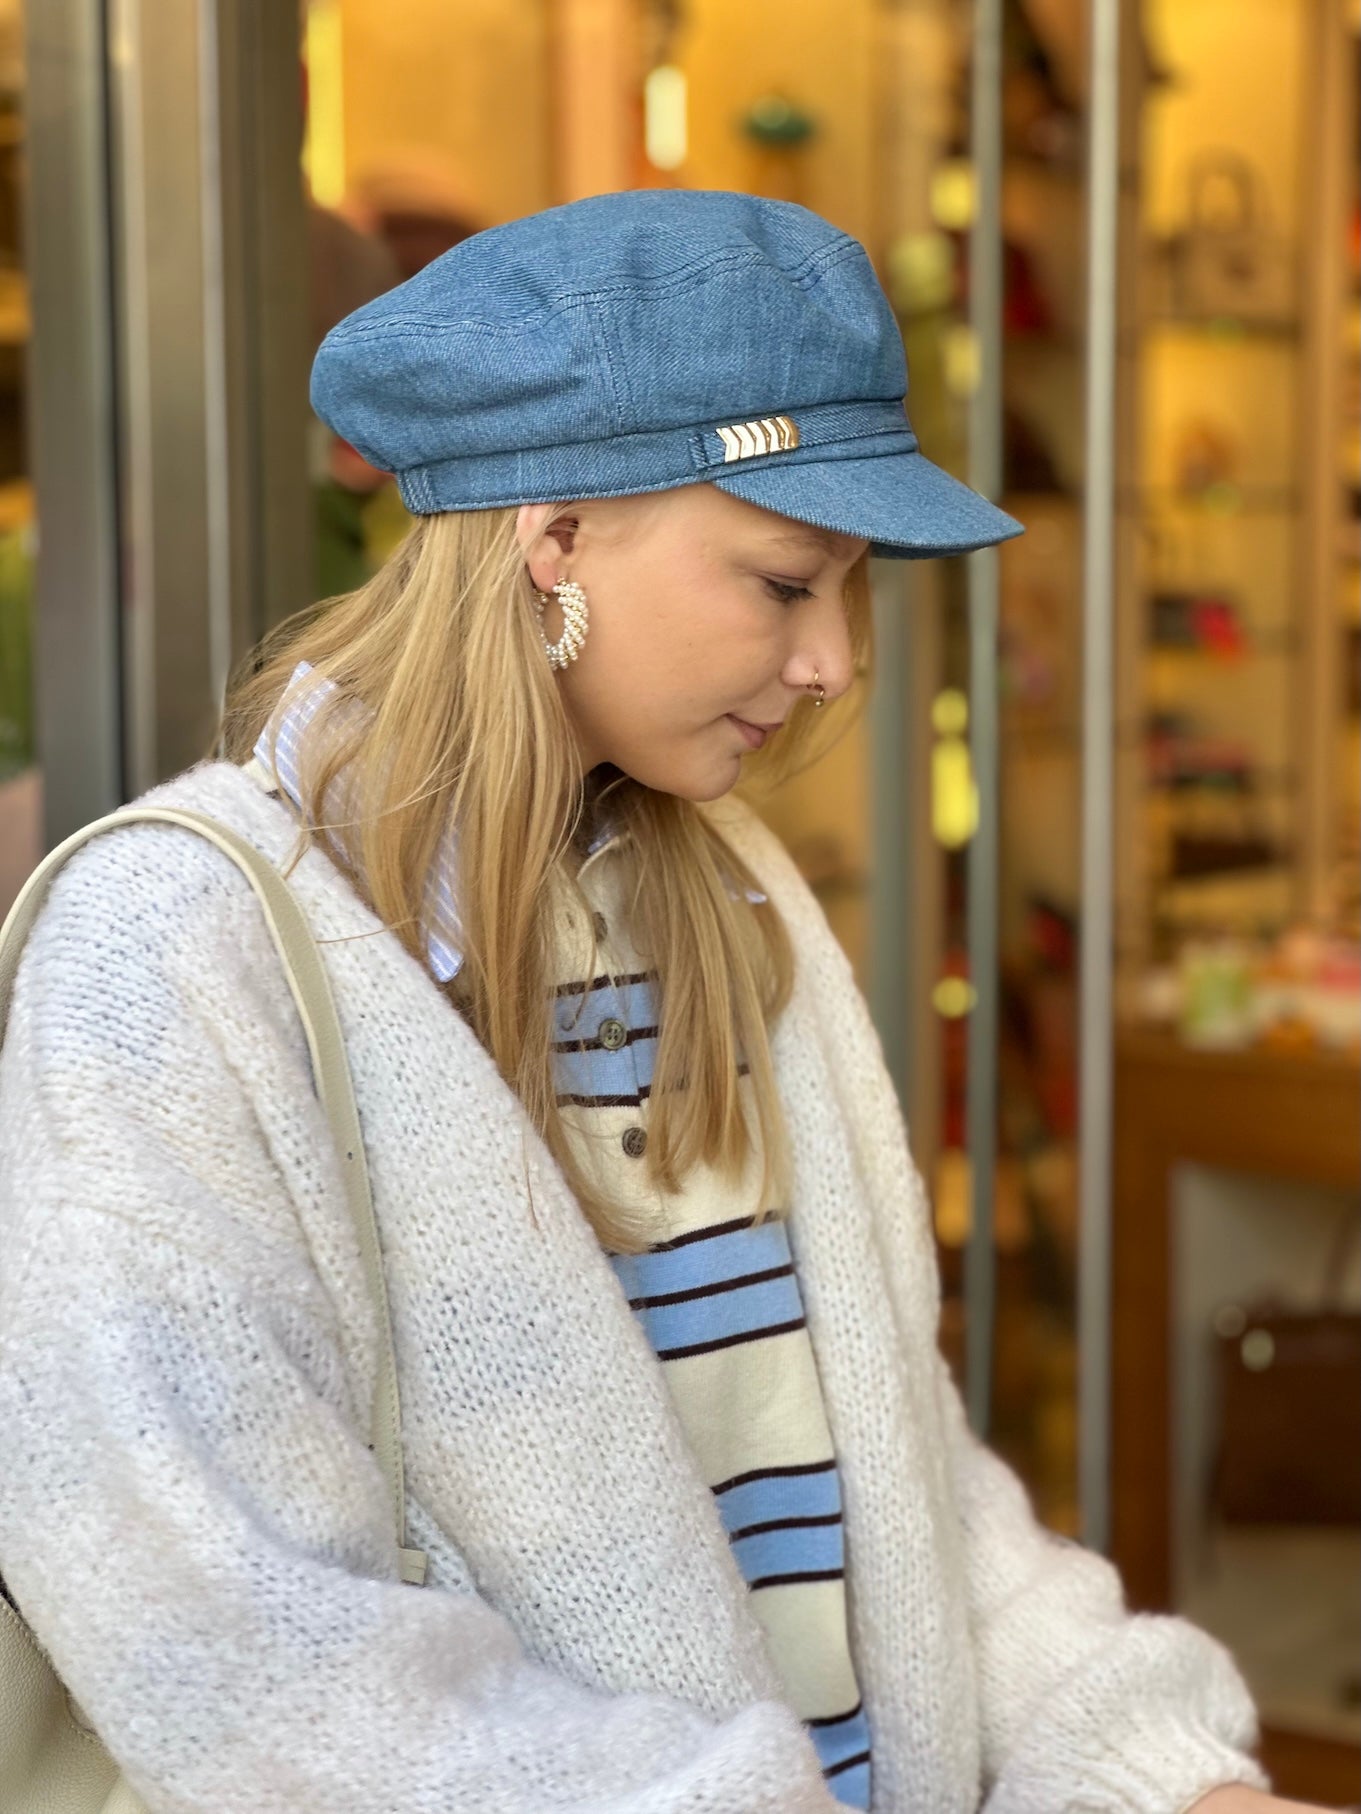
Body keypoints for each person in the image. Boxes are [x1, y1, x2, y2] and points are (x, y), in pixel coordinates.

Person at [0, 189, 1330, 1814]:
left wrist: (1159, 1776)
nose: (835, 659)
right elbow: (230, 1633)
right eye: (783, 581)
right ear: (554, 537)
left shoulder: (728, 892)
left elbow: (901, 1487)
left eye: (850, 587)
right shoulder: (175, 948)